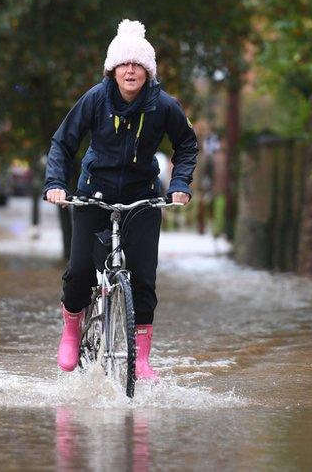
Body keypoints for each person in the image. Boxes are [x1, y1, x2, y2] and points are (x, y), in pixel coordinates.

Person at [44, 20, 198, 380]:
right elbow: (62, 143)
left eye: (138, 64)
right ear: (113, 70)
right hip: (92, 194)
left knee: (143, 278)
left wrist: (179, 183)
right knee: (80, 270)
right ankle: (71, 331)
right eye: (124, 64)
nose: (131, 70)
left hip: (141, 199)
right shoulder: (95, 99)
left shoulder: (163, 106)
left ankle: (141, 359)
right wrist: (55, 183)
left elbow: (187, 144)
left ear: (148, 70)